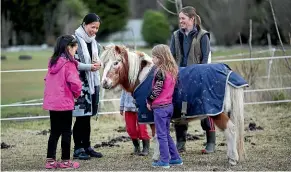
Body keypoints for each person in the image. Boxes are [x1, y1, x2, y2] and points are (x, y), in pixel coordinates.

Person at [170, 6, 216, 154]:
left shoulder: (203, 36)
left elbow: (206, 59)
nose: (180, 21)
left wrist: (201, 78)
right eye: (179, 18)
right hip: (180, 79)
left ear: (192, 19)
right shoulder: (176, 35)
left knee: (204, 109)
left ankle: (211, 143)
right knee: (179, 110)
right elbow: (171, 58)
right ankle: (181, 143)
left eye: (183, 18)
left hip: (198, 78)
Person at [43, 35, 82, 169]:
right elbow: (75, 83)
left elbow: (46, 80)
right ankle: (65, 161)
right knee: (66, 131)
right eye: (75, 47)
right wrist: (76, 94)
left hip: (52, 102)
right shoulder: (69, 64)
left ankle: (50, 161)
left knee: (54, 131)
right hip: (65, 102)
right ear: (68, 47)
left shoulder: (52, 63)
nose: (76, 50)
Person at [72, 13, 103, 160]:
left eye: (97, 28)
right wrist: (89, 67)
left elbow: (96, 59)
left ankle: (87, 146)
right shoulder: (74, 40)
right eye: (92, 27)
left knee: (88, 117)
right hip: (80, 85)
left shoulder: (94, 42)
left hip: (92, 82)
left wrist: (98, 64)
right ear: (85, 24)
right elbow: (72, 62)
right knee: (81, 117)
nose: (94, 31)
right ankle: (78, 148)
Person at [146, 44, 183, 168]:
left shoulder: (160, 72)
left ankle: (164, 161)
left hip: (160, 108)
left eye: (154, 57)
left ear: (160, 58)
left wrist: (149, 100)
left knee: (161, 135)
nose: (152, 59)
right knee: (166, 133)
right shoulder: (172, 70)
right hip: (169, 106)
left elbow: (157, 89)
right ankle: (176, 158)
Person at [120, 90, 151, 156]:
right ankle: (136, 147)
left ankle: (146, 148)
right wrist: (121, 107)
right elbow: (123, 94)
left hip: (140, 107)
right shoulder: (125, 81)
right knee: (130, 129)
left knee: (142, 129)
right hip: (128, 108)